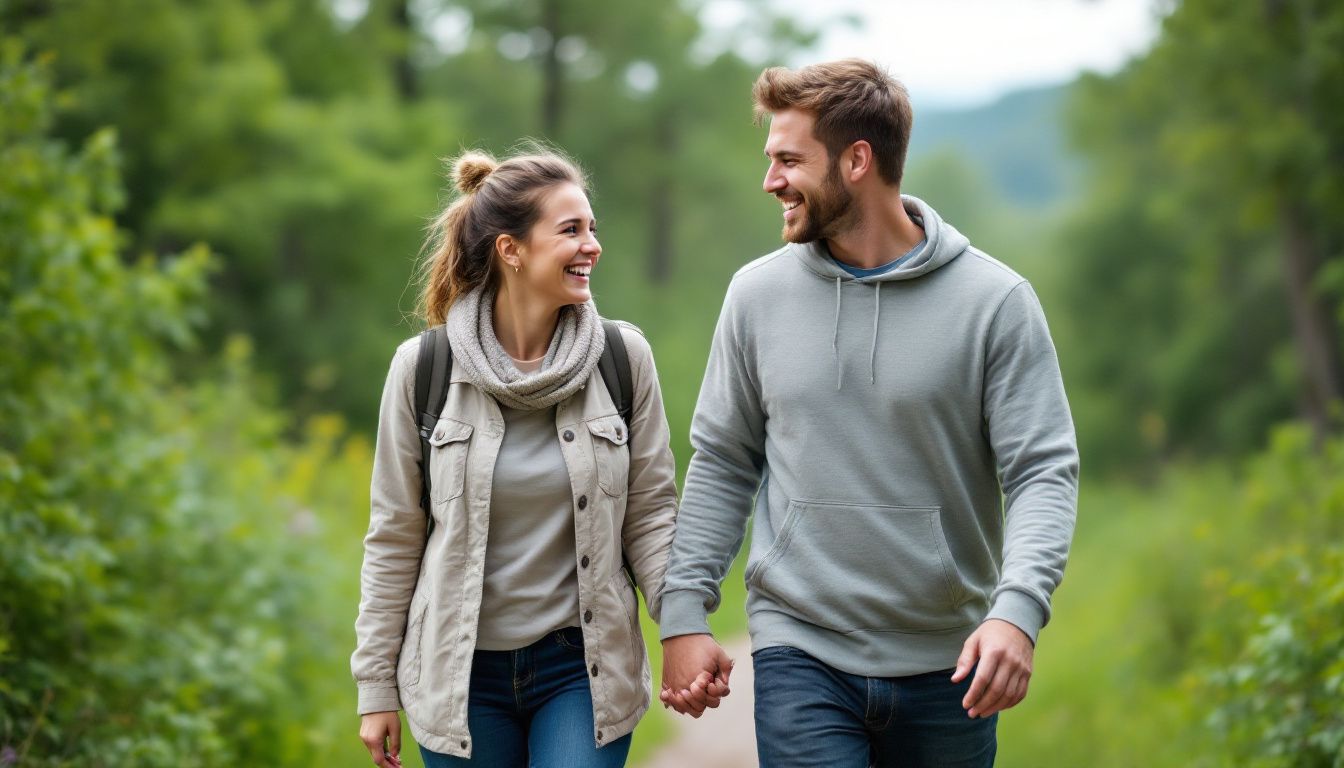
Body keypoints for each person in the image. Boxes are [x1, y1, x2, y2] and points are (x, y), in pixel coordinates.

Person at [657, 59, 1080, 767]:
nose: (770, 181)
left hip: (950, 659)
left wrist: (1018, 612)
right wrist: (682, 611)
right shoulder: (756, 296)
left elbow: (1042, 471)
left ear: (857, 160)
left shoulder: (995, 303)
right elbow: (725, 462)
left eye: (789, 160)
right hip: (802, 645)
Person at [351, 147, 683, 768]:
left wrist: (683, 628)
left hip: (582, 669)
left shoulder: (621, 359)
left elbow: (652, 515)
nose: (593, 245)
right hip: (457, 676)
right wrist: (376, 688)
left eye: (592, 228)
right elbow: (394, 536)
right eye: (571, 230)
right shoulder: (424, 369)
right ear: (512, 250)